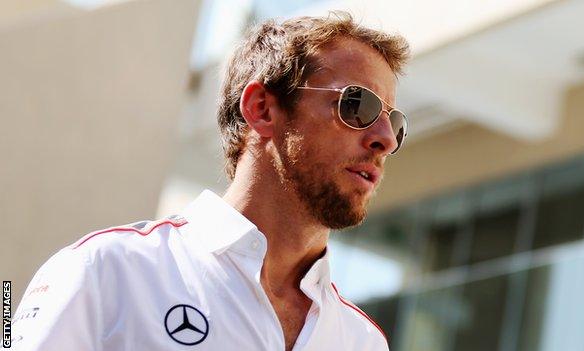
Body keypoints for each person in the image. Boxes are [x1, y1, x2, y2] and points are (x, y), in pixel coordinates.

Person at [12, 11, 410, 351]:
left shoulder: (363, 341)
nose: (386, 139)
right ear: (261, 110)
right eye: (358, 105)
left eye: (395, 123)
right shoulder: (107, 271)